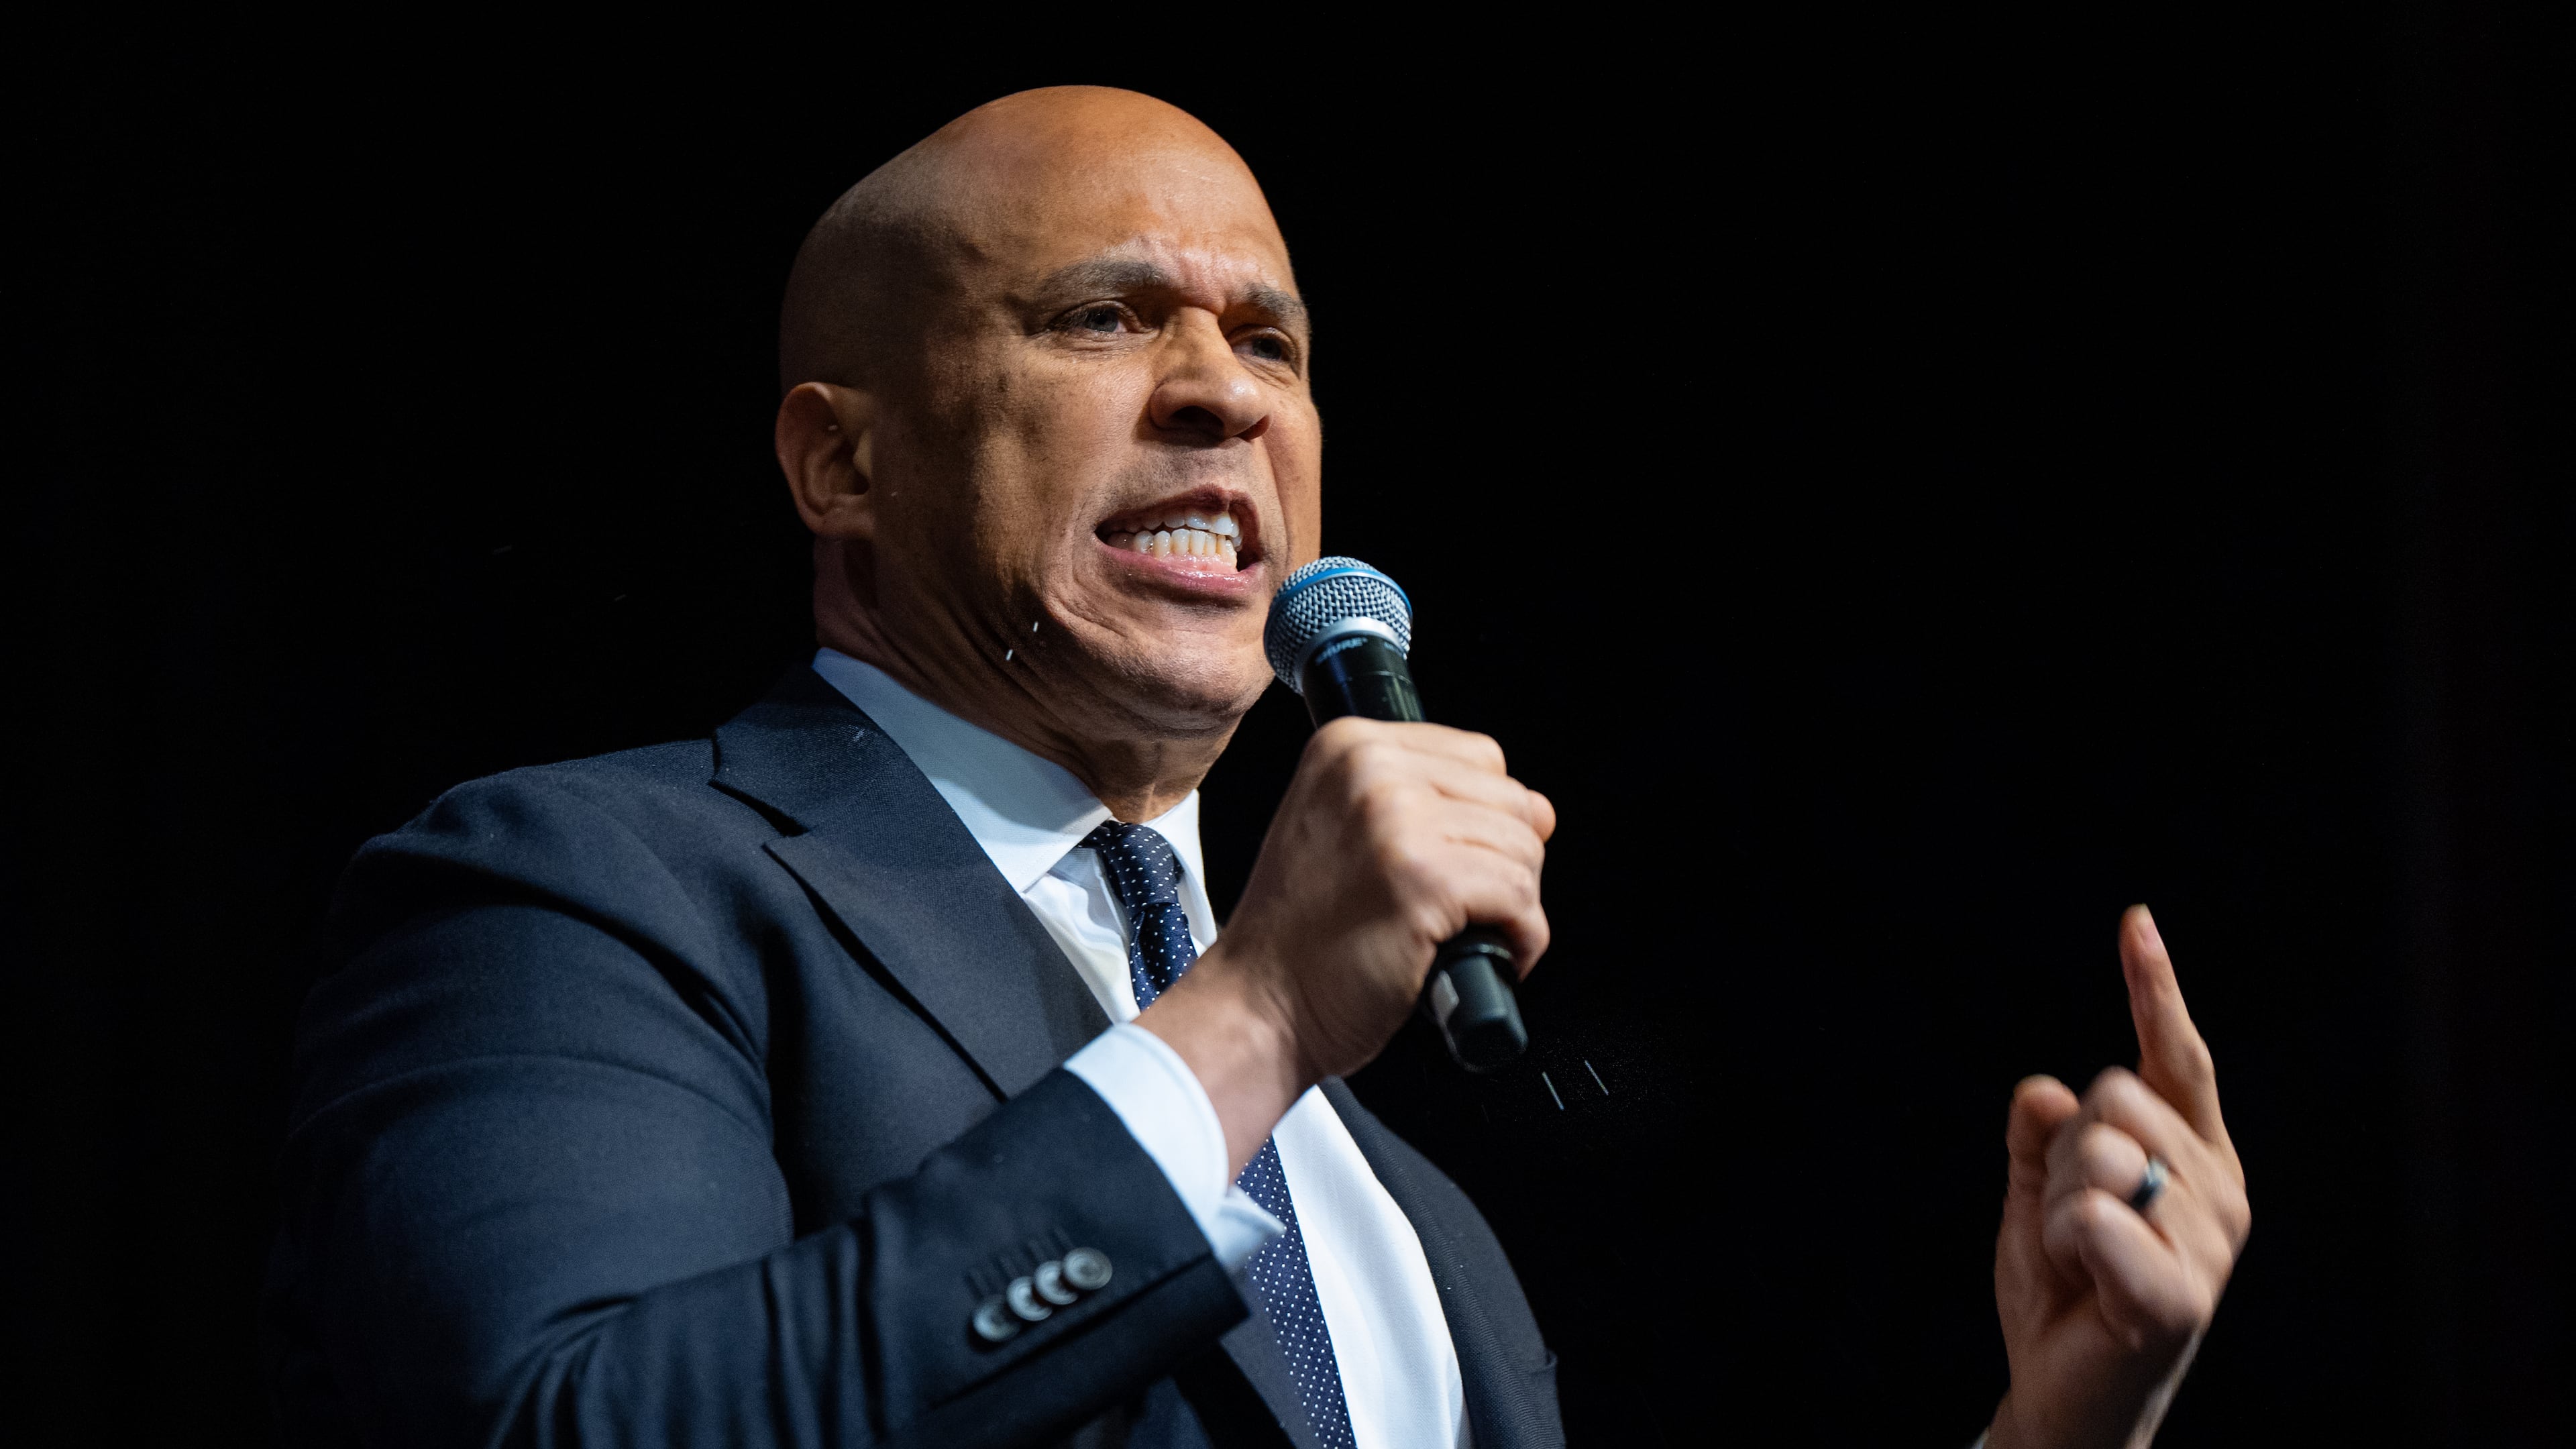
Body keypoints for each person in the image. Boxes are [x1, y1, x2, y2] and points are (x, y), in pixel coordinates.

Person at [265, 87, 2251, 1449]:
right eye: (1103, 317)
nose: (1220, 388)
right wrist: (1267, 1008)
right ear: (840, 462)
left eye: (1271, 344)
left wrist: (2057, 1422)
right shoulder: (579, 886)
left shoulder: (1410, 1231)